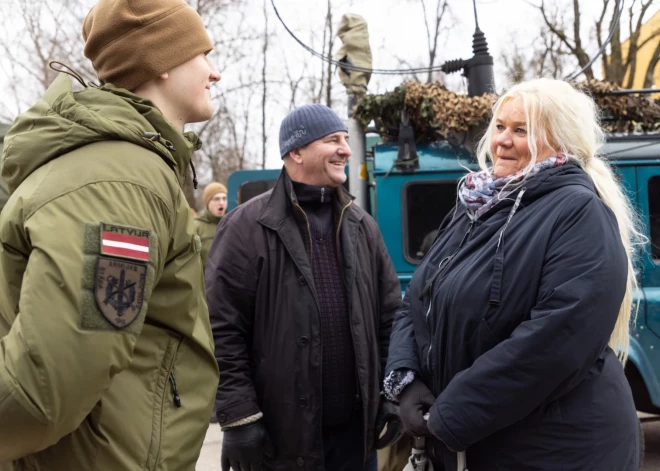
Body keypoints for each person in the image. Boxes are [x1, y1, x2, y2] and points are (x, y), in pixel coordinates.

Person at [0, 0, 221, 469]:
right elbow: (45, 389)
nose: (214, 71)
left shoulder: (128, 167)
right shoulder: (122, 181)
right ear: (161, 63)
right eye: (203, 54)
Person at [384, 78, 642, 470]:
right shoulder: (473, 208)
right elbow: (416, 301)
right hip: (483, 443)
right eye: (500, 126)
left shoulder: (577, 212)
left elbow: (556, 339)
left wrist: (450, 414)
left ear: (561, 140)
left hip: (557, 451)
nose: (503, 140)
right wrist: (407, 381)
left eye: (522, 130)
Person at [206, 104, 403, 471]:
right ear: (295, 152)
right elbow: (221, 328)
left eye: (346, 139)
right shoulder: (246, 227)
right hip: (280, 443)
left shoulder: (362, 226)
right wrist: (239, 416)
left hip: (355, 441)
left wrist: (390, 392)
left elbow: (391, 318)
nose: (346, 149)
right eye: (332, 140)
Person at [195, 182, 228, 268]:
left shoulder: (231, 224)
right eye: (216, 199)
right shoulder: (195, 227)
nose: (221, 203)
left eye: (224, 198)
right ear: (208, 202)